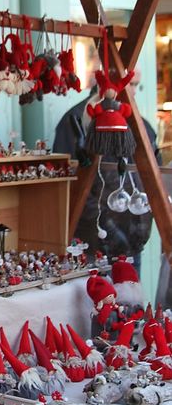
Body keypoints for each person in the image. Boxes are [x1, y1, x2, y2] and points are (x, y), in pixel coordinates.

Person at [53, 71, 161, 273]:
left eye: (136, 84)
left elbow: (153, 182)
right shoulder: (77, 120)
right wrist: (107, 226)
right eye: (131, 84)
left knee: (129, 299)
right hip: (93, 242)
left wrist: (142, 224)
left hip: (133, 240)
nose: (134, 91)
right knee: (98, 299)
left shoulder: (141, 125)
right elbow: (68, 183)